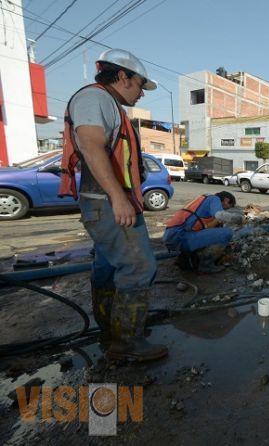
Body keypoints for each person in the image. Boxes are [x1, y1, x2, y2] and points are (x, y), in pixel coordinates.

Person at [58, 49, 167, 361]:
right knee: (138, 265)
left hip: (102, 201)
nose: (141, 95)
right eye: (139, 85)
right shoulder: (96, 99)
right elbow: (91, 146)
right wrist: (118, 197)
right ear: (122, 76)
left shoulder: (107, 103)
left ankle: (113, 332)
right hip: (107, 201)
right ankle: (126, 344)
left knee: (108, 266)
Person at [163, 191, 236, 271]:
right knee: (226, 233)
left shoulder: (204, 200)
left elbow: (204, 228)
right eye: (228, 207)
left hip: (172, 236)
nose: (226, 209)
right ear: (226, 200)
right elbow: (220, 215)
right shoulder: (214, 199)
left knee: (215, 233)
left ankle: (185, 258)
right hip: (180, 237)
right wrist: (239, 219)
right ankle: (205, 265)